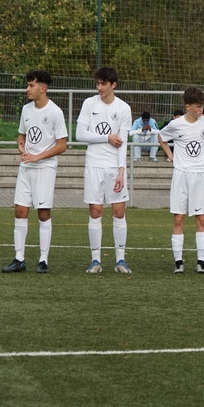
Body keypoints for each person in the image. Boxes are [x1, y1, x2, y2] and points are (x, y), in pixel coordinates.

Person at [2, 70, 68, 274]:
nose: (27, 89)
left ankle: (43, 260)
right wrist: (21, 145)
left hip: (45, 168)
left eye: (31, 85)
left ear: (43, 88)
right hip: (26, 167)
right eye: (28, 85)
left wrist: (38, 157)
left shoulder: (55, 112)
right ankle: (19, 259)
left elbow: (62, 145)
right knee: (20, 210)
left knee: (43, 212)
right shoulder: (26, 110)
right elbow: (21, 135)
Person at [76, 66, 133, 274]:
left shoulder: (123, 108)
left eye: (103, 84)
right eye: (97, 83)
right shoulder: (89, 104)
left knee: (118, 211)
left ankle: (120, 260)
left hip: (113, 167)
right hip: (93, 164)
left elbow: (123, 143)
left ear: (113, 85)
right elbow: (80, 134)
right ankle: (96, 260)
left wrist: (121, 171)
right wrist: (106, 137)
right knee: (95, 210)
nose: (99, 87)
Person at [159, 86, 204, 273]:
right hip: (181, 174)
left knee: (201, 218)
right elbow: (161, 137)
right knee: (178, 218)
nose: (201, 110)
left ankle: (201, 262)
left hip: (199, 174)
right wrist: (171, 156)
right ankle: (178, 262)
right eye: (198, 106)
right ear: (188, 106)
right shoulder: (176, 125)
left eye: (202, 106)